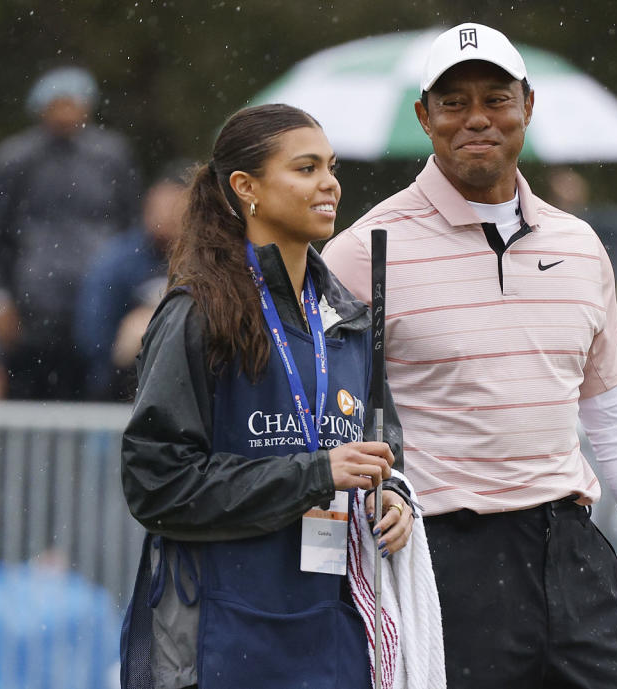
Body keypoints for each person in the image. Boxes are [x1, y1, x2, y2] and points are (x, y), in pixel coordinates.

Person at [323, 22, 617, 689]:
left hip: (571, 551)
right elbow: (319, 414)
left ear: (528, 107)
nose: (477, 118)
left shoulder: (579, 246)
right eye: (454, 102)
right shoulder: (363, 250)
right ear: (424, 116)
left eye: (496, 98)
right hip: (440, 560)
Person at [119, 104, 435, 689]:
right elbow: (157, 485)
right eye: (306, 168)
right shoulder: (196, 314)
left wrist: (389, 498)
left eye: (331, 167)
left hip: (338, 635)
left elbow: (377, 449)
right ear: (246, 188)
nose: (330, 184)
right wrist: (314, 473)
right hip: (222, 637)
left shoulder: (350, 322)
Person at [0, 65, 141, 400]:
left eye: (74, 103)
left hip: (98, 306)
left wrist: (137, 293)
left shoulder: (111, 157)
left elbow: (133, 232)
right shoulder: (15, 158)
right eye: (58, 103)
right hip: (32, 310)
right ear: (40, 108)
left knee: (98, 400)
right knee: (29, 405)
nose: (66, 113)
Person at [74, 165, 189, 400]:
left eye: (174, 207)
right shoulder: (117, 259)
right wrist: (127, 348)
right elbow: (91, 335)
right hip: (119, 389)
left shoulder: (207, 259)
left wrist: (163, 325)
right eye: (158, 207)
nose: (164, 216)